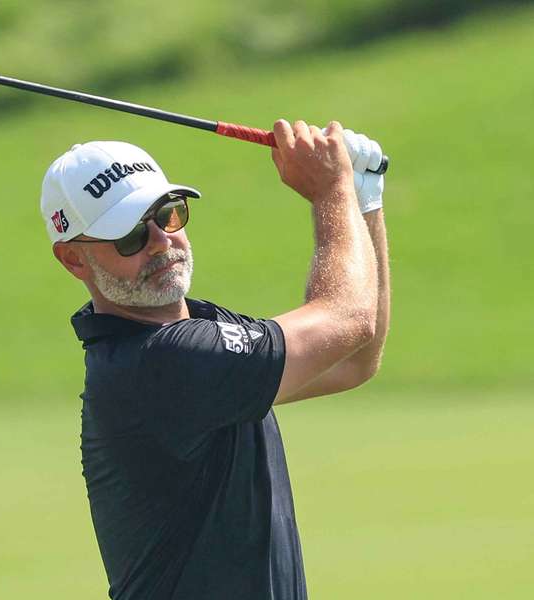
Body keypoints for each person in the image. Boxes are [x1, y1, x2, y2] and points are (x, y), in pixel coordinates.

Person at [39, 119, 390, 600]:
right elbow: (349, 317)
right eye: (128, 238)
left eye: (167, 215)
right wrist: (333, 189)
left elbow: (353, 361)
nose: (162, 242)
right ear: (74, 260)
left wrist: (363, 199)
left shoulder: (192, 338)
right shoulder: (162, 363)